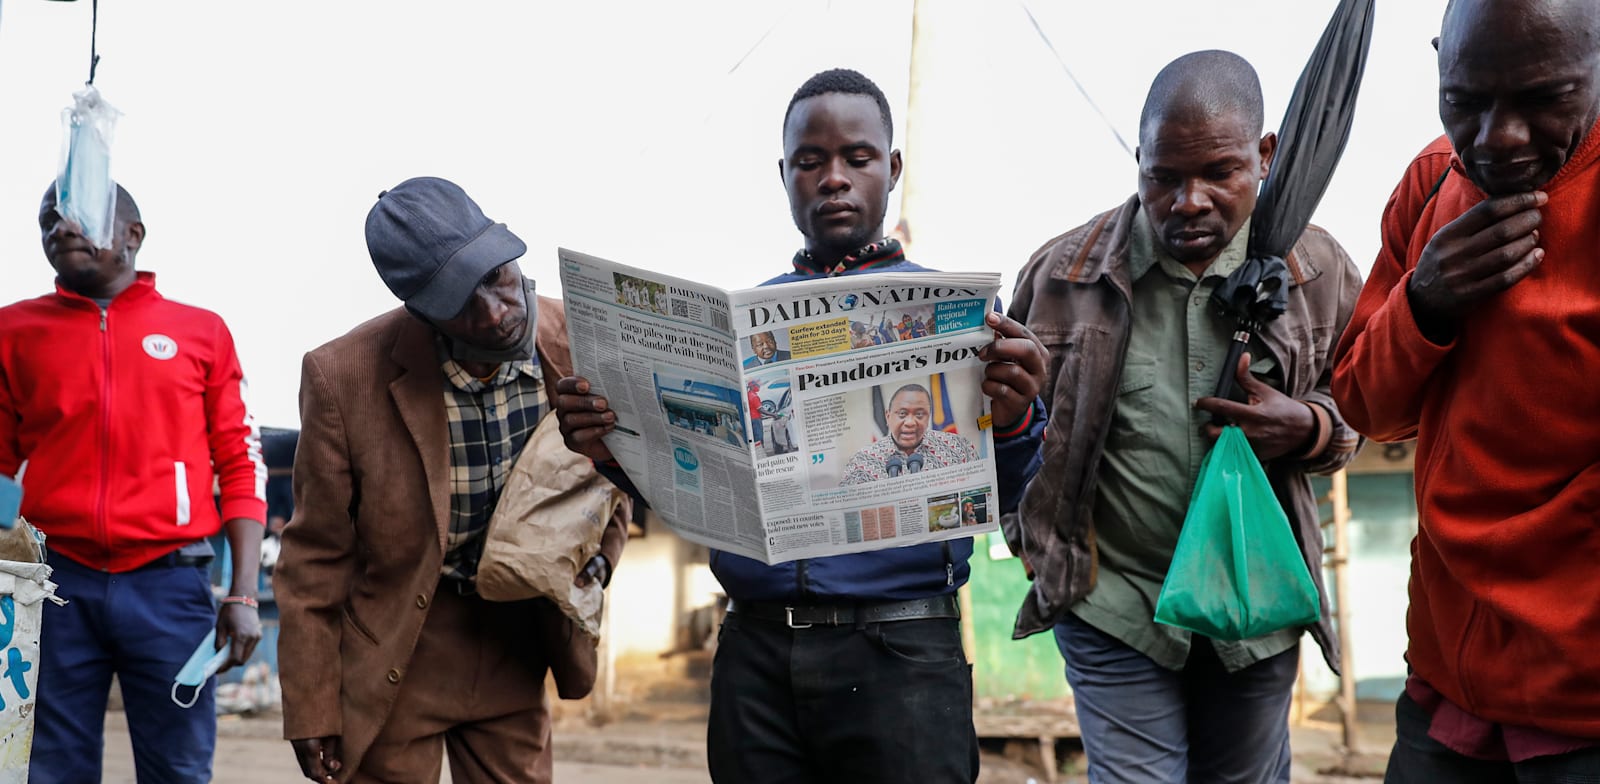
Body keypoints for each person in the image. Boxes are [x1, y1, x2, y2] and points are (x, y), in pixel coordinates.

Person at [555, 68, 1048, 783]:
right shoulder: (742, 326)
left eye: (857, 157)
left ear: (893, 167)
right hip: (756, 657)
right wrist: (608, 446)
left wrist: (1014, 418)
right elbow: (686, 484)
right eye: (810, 162)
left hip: (904, 654)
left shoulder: (967, 323)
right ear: (783, 175)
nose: (834, 178)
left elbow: (1016, 492)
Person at [1005, 51, 1363, 783]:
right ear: (1138, 161)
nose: (1188, 201)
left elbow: (1374, 409)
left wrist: (1313, 427)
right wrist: (1033, 540)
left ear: (1265, 157)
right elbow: (1006, 431)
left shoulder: (1318, 272)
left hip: (1257, 613)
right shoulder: (1061, 276)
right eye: (1163, 177)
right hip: (1114, 604)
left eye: (1219, 173)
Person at [274, 177, 628, 783]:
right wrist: (310, 704)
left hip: (520, 639)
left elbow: (613, 484)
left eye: (496, 277)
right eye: (460, 301)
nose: (494, 313)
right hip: (398, 648)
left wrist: (598, 564)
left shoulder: (582, 342)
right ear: (418, 311)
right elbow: (315, 557)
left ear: (509, 251)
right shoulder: (341, 377)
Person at [1331, 1, 1600, 778]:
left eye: (1544, 97)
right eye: (1467, 101)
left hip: (1582, 704)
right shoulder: (1429, 184)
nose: (1498, 138)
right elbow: (1362, 405)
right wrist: (1424, 303)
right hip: (1447, 681)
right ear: (1439, 62)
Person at [0, 183, 267, 783]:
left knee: (177, 768)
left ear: (132, 236)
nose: (61, 230)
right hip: (53, 587)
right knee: (47, 768)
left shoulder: (201, 332)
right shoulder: (12, 332)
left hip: (169, 585)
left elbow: (240, 463)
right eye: (48, 221)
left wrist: (243, 594)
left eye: (80, 218)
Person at [839, 383, 977, 485]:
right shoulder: (861, 462)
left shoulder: (959, 447)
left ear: (928, 416)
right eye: (902, 414)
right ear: (888, 416)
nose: (910, 422)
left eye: (919, 414)